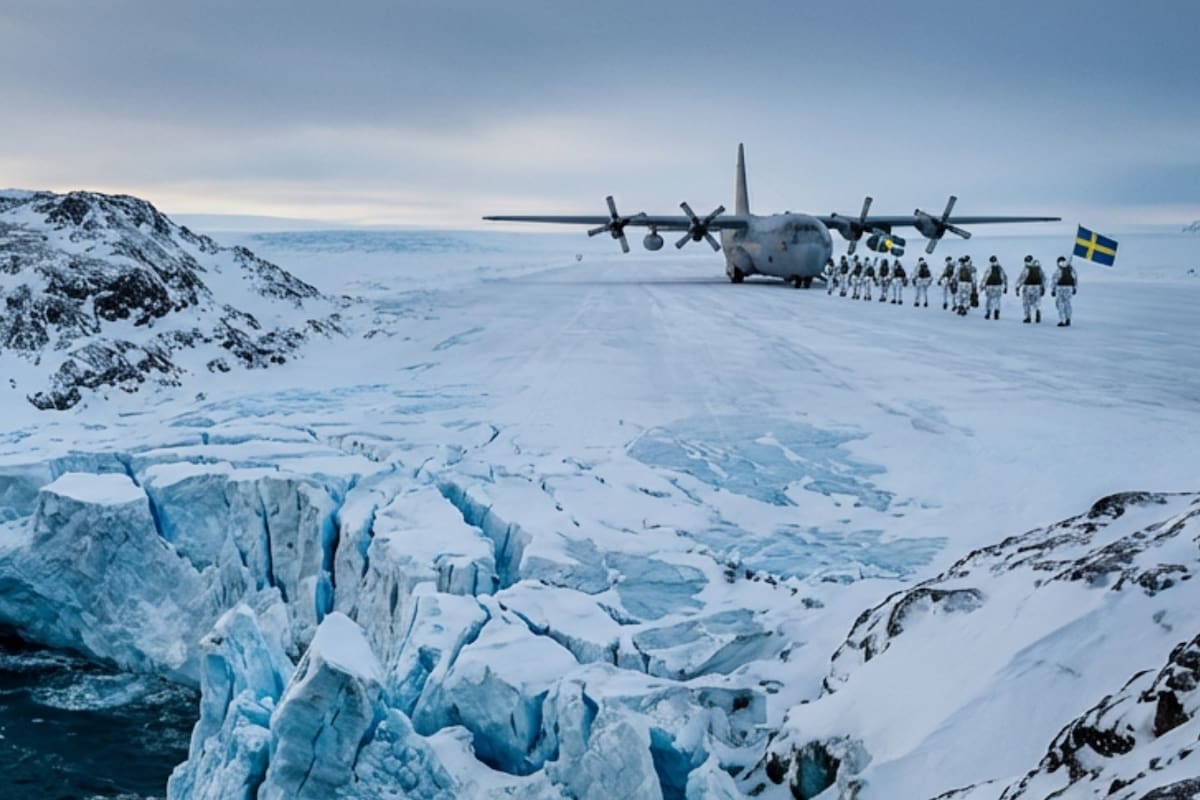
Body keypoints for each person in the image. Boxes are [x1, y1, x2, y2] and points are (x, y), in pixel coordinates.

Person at [1015, 255, 1046, 323]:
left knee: (1026, 303)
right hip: (1037, 287)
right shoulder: (1038, 268)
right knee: (1036, 301)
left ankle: (1028, 317)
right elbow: (1043, 278)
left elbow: (1022, 278)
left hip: (1027, 287)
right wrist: (1043, 287)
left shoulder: (1027, 268)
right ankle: (1037, 311)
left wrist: (1017, 287)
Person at [1050, 256, 1078, 326]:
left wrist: (1053, 290)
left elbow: (1054, 280)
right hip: (1069, 288)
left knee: (1060, 304)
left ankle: (1062, 320)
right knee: (1067, 303)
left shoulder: (1059, 270)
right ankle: (1068, 319)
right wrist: (1075, 288)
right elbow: (1075, 279)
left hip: (1060, 288)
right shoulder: (1071, 269)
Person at [980, 255, 1008, 320]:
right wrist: (1006, 286)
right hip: (998, 286)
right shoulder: (1000, 268)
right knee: (997, 300)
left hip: (989, 286)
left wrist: (982, 286)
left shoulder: (989, 268)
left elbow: (985, 277)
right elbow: (1004, 277)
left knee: (989, 300)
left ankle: (988, 313)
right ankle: (996, 313)